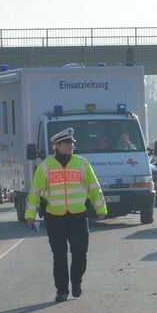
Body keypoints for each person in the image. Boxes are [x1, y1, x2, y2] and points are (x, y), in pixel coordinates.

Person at [25, 128, 107, 303]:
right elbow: (35, 192)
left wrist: (101, 209)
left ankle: (76, 282)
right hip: (54, 217)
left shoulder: (82, 163)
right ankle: (62, 290)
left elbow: (94, 187)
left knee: (80, 252)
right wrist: (30, 215)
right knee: (59, 254)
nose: (71, 146)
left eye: (72, 143)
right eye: (67, 143)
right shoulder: (45, 166)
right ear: (57, 145)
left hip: (77, 215)